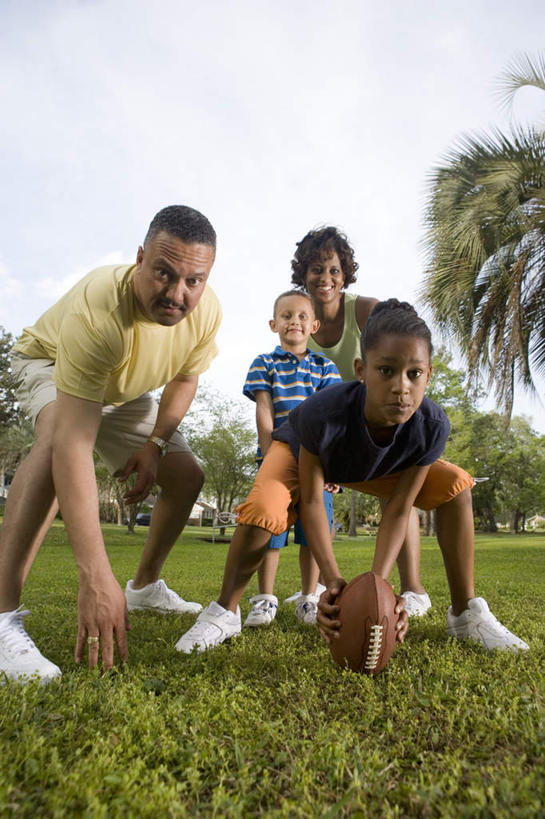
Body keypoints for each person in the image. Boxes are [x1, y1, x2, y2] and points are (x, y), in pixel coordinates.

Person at [176, 300, 528, 655]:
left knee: (456, 486)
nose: (401, 387)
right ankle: (225, 612)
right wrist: (332, 584)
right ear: (361, 370)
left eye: (414, 374)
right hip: (299, 453)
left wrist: (379, 586)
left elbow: (399, 508)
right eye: (386, 371)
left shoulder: (431, 426)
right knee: (263, 511)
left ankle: (465, 613)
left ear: (428, 374)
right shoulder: (324, 412)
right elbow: (313, 501)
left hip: (372, 468)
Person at [0, 205, 221, 683]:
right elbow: (73, 446)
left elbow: (185, 377)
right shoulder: (100, 310)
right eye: (164, 272)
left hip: (119, 388)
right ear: (140, 258)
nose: (177, 293)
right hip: (51, 360)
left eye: (193, 280)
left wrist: (156, 444)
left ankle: (144, 587)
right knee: (56, 439)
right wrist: (94, 575)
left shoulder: (206, 312)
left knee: (187, 477)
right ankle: (0, 617)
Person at [290, 226, 431, 617]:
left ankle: (412, 587)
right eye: (316, 269)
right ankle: (310, 587)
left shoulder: (365, 311)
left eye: (333, 269)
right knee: (307, 497)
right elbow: (296, 383)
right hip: (327, 429)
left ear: (345, 272)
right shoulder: (299, 319)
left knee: (401, 489)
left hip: (376, 416)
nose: (325, 278)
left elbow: (401, 342)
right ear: (303, 274)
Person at [242, 290, 341, 628]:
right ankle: (265, 599)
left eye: (301, 316)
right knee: (270, 528)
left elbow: (331, 416)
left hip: (315, 461)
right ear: (274, 324)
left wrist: (332, 464)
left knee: (315, 535)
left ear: (313, 325)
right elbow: (264, 408)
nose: (294, 322)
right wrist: (268, 451)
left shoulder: (324, 367)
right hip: (277, 456)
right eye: (286, 316)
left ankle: (308, 598)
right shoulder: (264, 363)